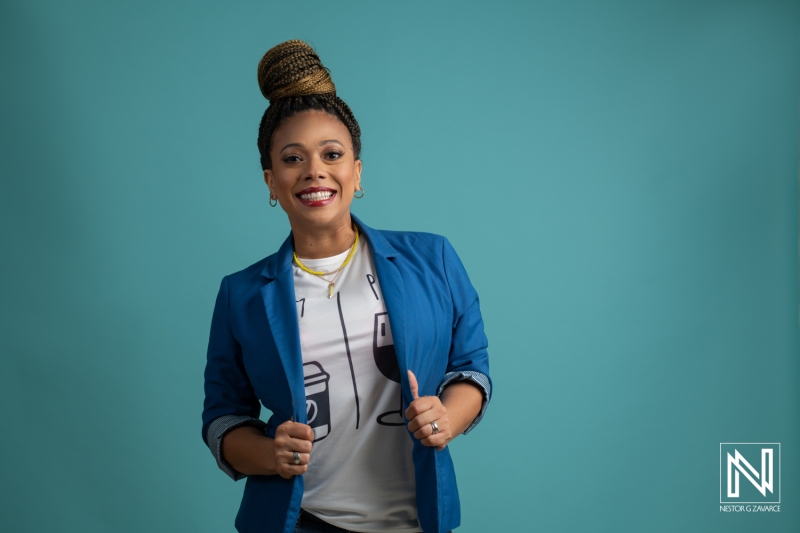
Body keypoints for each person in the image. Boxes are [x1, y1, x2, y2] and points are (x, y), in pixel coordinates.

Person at [201, 40, 491, 533]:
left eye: (331, 154)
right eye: (292, 159)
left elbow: (471, 367)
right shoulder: (242, 294)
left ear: (356, 173)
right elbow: (223, 419)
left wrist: (448, 418)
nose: (314, 170)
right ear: (271, 183)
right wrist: (271, 455)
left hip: (413, 520)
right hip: (300, 520)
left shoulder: (432, 259)